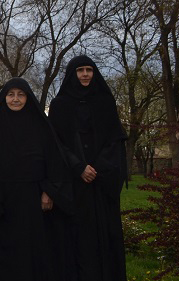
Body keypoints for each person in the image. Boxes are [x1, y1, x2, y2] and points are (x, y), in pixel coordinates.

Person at [0, 78, 71, 281]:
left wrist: (49, 191)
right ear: (4, 97)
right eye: (11, 95)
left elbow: (54, 159)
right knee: (6, 253)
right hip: (4, 199)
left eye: (20, 95)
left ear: (28, 98)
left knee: (35, 250)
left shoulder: (40, 125)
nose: (15, 99)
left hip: (33, 197)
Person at [48, 56, 127, 281]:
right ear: (72, 74)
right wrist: (79, 167)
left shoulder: (105, 101)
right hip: (74, 184)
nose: (85, 74)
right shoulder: (60, 104)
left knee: (104, 236)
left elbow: (115, 139)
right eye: (80, 70)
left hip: (101, 184)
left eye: (89, 70)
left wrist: (97, 168)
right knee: (77, 240)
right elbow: (56, 142)